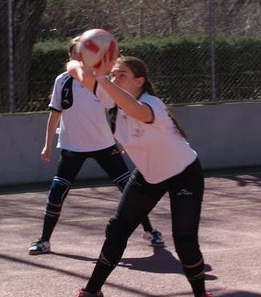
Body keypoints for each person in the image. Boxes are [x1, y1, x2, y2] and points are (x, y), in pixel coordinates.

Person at [60, 55, 222, 297]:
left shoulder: (151, 104)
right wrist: (84, 58)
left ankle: (202, 296)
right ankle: (92, 293)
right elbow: (72, 69)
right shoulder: (111, 99)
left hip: (184, 174)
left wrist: (101, 78)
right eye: (114, 74)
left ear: (140, 81)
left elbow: (134, 110)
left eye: (122, 75)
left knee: (184, 239)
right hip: (148, 174)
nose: (115, 79)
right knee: (117, 229)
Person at [29, 37, 164, 255]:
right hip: (72, 147)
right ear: (70, 57)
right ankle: (44, 240)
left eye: (83, 53)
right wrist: (48, 145)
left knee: (128, 190)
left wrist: (122, 138)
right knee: (56, 193)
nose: (78, 56)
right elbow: (55, 113)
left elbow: (118, 110)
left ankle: (150, 231)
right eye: (75, 53)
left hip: (104, 145)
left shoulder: (103, 81)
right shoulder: (62, 81)